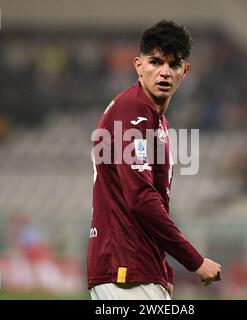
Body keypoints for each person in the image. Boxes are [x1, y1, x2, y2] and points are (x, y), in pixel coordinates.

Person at [88, 20, 222, 300]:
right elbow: (140, 199)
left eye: (173, 65)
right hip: (125, 270)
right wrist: (194, 261)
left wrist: (165, 271)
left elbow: (156, 200)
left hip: (138, 268)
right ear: (138, 65)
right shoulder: (132, 110)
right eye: (155, 62)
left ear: (185, 72)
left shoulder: (155, 119)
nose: (164, 72)